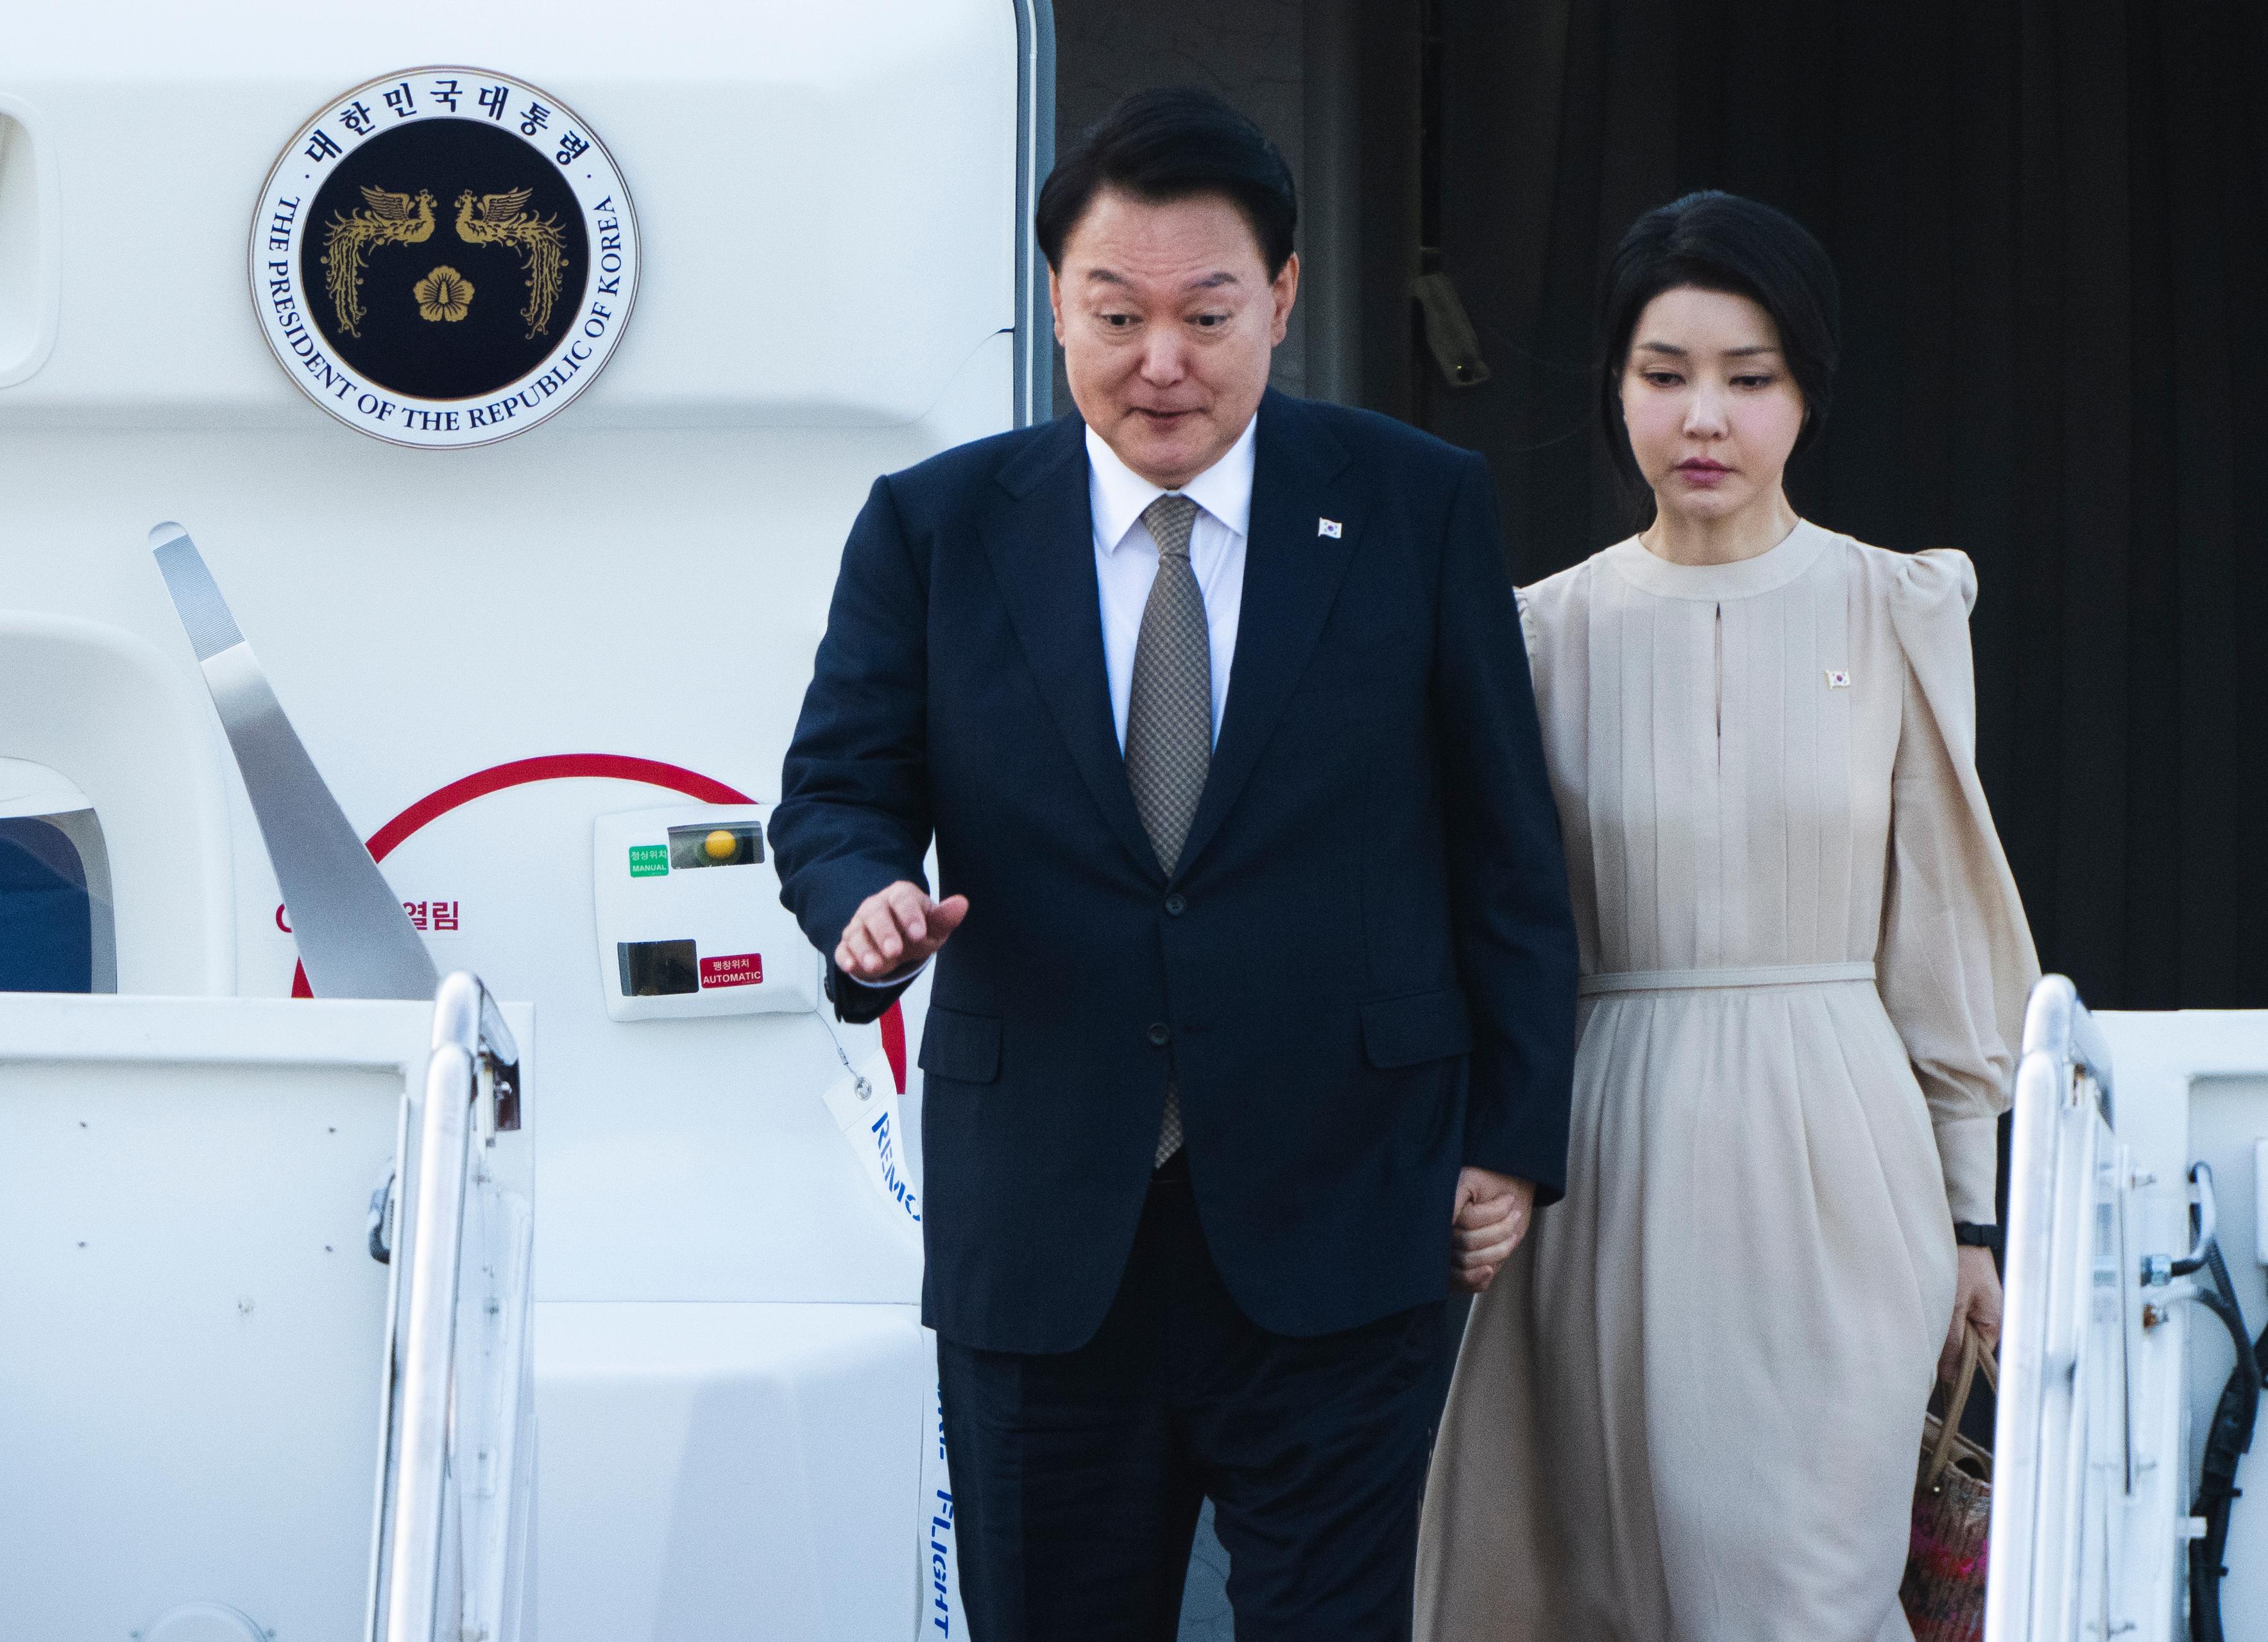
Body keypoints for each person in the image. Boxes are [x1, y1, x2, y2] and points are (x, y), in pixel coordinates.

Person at [769, 87, 1578, 1641]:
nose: (1162, 361)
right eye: (1114, 312)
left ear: (1279, 298)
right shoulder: (937, 529)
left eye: (1207, 313)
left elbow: (1505, 846)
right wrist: (860, 895)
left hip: (1350, 1208)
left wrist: (1514, 1133)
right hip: (1046, 1230)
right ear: (1055, 304)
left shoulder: (1413, 503)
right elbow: (837, 789)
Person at [1414, 190, 2040, 1641]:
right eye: (1665, 372)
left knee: (1807, 1585)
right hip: (1605, 1148)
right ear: (1617, 386)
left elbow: (1939, 927)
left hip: (1844, 1151)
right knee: (1611, 1584)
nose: (1705, 414)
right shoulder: (1534, 631)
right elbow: (1486, 919)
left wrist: (1970, 1215)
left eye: (1749, 377)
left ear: (1805, 391)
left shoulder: (1896, 606)